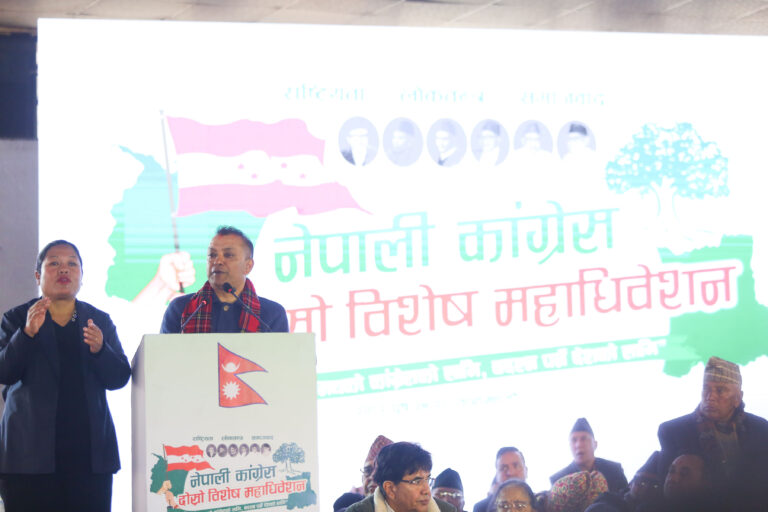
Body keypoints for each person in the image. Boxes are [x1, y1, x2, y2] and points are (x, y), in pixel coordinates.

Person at [0, 240, 131, 511]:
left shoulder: (99, 320)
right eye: (54, 263)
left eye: (72, 263)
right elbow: (5, 371)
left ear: (82, 276)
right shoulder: (17, 318)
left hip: (88, 459)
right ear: (38, 276)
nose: (64, 269)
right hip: (28, 459)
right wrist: (27, 334)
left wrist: (100, 350)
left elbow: (119, 377)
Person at [657, 356, 768, 507]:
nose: (710, 397)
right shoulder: (673, 431)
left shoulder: (761, 429)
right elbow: (667, 492)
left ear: (738, 397)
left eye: (720, 390)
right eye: (706, 389)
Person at [161, 226, 289, 333]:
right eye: (212, 255)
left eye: (228, 255)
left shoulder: (272, 314)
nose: (218, 261)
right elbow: (163, 353)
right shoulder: (181, 309)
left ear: (248, 266)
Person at [344, 441, 455, 512]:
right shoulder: (360, 510)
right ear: (390, 489)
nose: (426, 491)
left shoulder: (446, 510)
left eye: (428, 479)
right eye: (417, 481)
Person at [550, 418, 628, 493]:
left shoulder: (614, 470)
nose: (578, 445)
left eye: (584, 439)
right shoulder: (558, 480)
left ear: (595, 444)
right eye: (574, 440)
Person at [473, 447, 528, 512]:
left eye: (516, 466)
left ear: (526, 471)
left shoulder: (538, 502)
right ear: (497, 476)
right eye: (503, 468)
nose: (511, 473)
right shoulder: (482, 508)